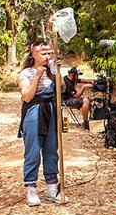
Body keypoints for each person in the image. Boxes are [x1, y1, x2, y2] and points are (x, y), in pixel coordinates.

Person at [18, 42, 60, 206]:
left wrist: (56, 73)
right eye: (44, 53)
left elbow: (61, 89)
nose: (47, 56)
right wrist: (37, 75)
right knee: (33, 150)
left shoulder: (52, 71)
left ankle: (52, 187)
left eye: (50, 52)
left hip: (51, 110)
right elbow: (27, 96)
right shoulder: (25, 73)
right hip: (34, 111)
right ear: (34, 54)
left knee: (51, 149)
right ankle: (31, 187)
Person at [63, 66, 93, 131]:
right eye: (77, 75)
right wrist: (84, 87)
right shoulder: (67, 83)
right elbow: (76, 96)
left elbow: (79, 80)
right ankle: (85, 122)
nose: (78, 77)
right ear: (73, 75)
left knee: (90, 100)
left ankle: (91, 118)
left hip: (70, 98)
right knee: (85, 100)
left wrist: (89, 81)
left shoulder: (69, 78)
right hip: (66, 100)